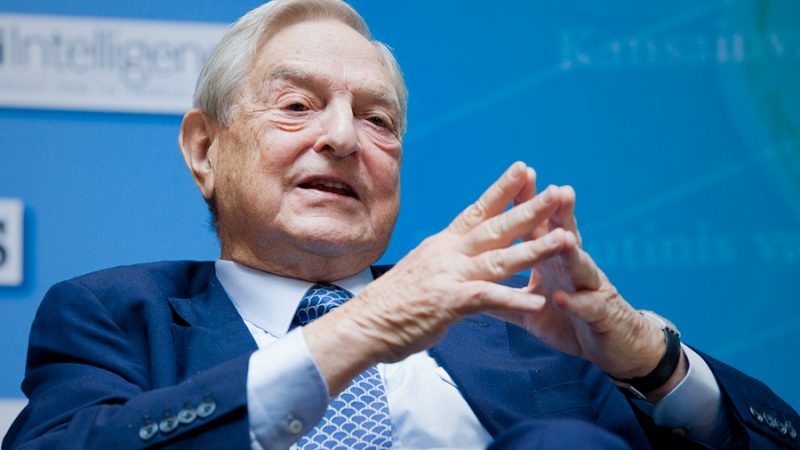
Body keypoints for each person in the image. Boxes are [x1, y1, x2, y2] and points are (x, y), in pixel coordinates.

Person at [3, 0, 798, 448]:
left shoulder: (522, 336)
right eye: (298, 105)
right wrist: (360, 328)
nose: (343, 138)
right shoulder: (114, 317)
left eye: (377, 120)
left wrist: (650, 361)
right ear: (205, 150)